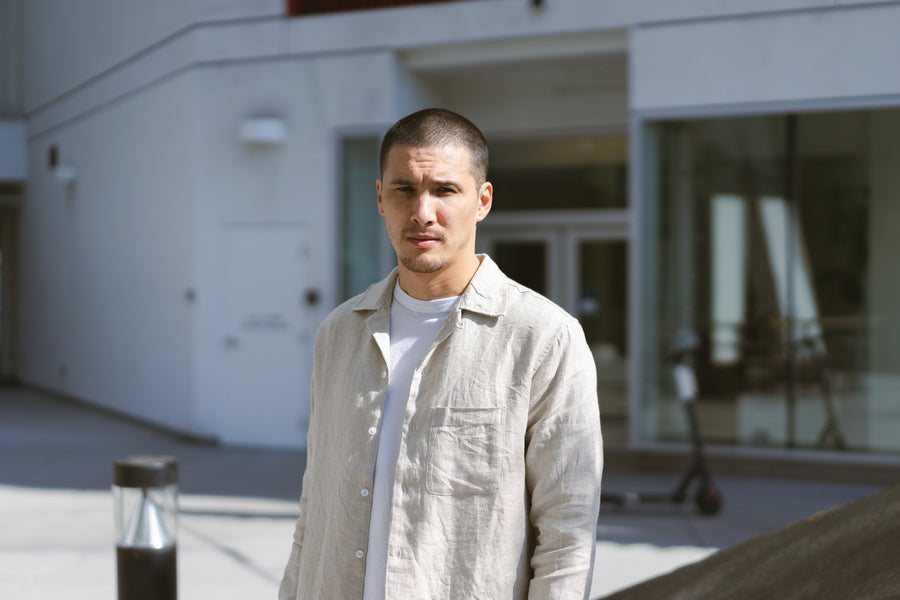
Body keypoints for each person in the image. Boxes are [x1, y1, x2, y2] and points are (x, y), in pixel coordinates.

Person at [279, 108, 603, 600]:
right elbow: (315, 508)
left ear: (482, 200)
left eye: (445, 190)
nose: (422, 212)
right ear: (381, 199)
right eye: (404, 189)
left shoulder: (544, 337)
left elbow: (567, 535)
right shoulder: (338, 334)